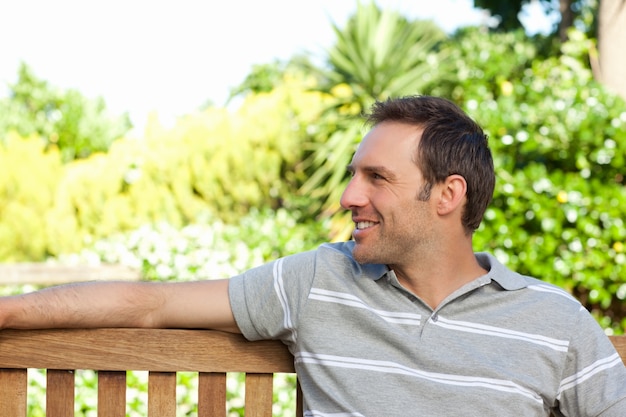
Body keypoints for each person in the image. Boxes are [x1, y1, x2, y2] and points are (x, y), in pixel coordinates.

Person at [1, 95, 624, 416]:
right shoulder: (320, 280)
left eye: (377, 178)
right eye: (354, 175)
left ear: (447, 195)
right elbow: (152, 304)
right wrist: (6, 313)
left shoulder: (552, 320)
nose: (351, 196)